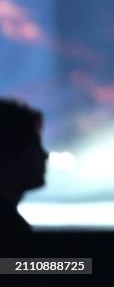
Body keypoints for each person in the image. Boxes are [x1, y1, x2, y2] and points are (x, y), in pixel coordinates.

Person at [0, 98, 47, 256]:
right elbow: (12, 268)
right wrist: (80, 267)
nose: (44, 155)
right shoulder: (9, 230)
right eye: (36, 144)